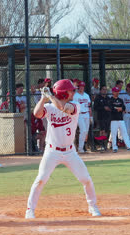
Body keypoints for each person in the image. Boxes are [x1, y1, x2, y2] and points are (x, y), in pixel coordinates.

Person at [25, 79, 101, 219]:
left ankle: (93, 206)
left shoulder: (75, 105)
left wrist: (51, 96)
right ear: (64, 93)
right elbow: (36, 113)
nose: (73, 92)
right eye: (70, 90)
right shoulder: (49, 107)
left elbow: (62, 108)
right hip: (52, 151)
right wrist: (43, 98)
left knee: (86, 179)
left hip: (70, 152)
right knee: (41, 179)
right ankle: (30, 209)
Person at [109, 86, 130, 152]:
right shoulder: (110, 100)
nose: (117, 93)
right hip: (113, 119)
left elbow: (124, 108)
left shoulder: (120, 100)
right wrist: (118, 109)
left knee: (125, 133)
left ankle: (129, 146)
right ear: (113, 92)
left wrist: (120, 109)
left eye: (118, 91)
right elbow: (111, 108)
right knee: (114, 134)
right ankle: (114, 147)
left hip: (121, 119)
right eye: (115, 91)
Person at [73, 81, 91, 153]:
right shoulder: (75, 95)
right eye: (80, 86)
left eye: (83, 86)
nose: (81, 88)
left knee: (86, 132)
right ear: (78, 87)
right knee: (83, 130)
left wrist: (91, 116)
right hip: (79, 114)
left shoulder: (86, 95)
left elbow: (89, 106)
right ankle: (80, 149)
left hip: (86, 114)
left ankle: (82, 147)